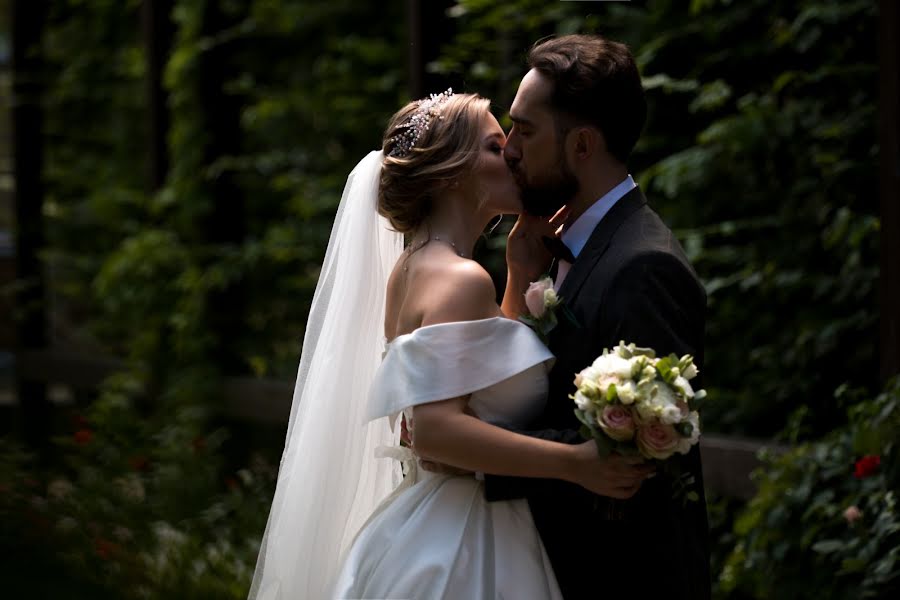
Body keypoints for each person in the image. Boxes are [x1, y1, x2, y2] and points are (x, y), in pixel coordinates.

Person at [247, 89, 654, 600]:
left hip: (429, 523)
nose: (512, 156)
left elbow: (475, 382)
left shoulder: (414, 267)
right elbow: (437, 433)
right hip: (465, 544)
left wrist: (518, 276)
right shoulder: (459, 279)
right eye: (493, 146)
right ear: (449, 173)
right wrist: (575, 463)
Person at [478, 34, 713, 599]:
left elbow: (643, 450)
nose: (509, 148)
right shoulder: (556, 246)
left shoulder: (644, 266)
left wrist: (468, 445)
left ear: (581, 145)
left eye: (525, 131)